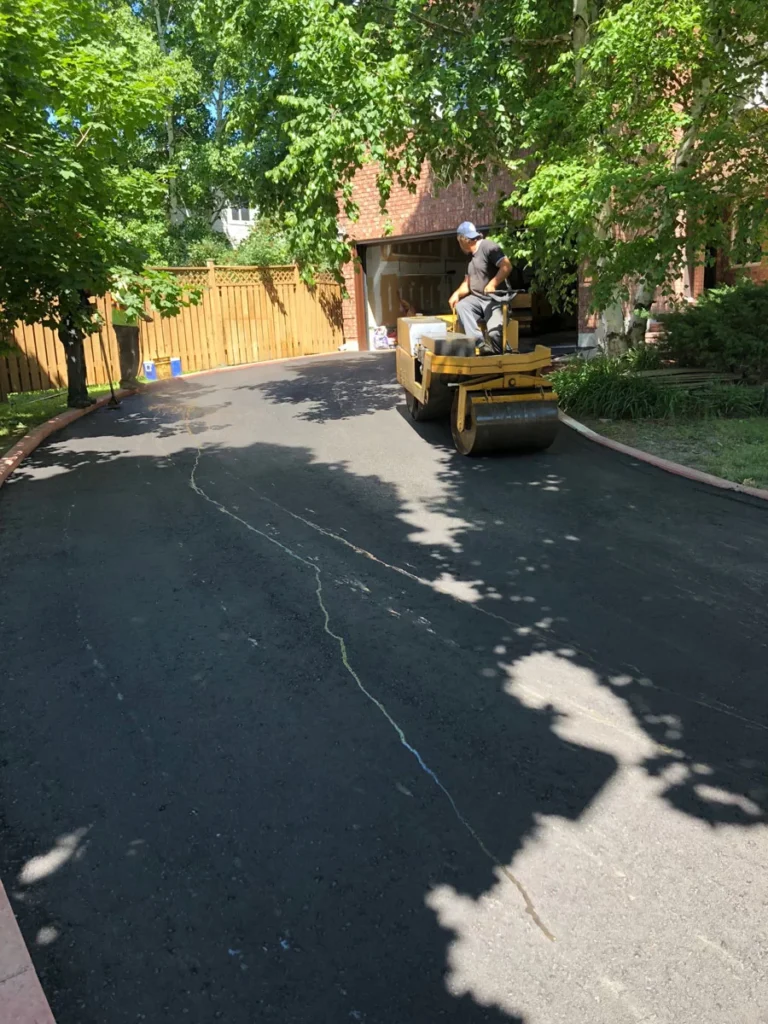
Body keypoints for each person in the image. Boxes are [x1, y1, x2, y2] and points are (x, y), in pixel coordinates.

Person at [448, 221, 513, 355]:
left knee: (495, 333)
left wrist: (493, 283)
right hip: (478, 300)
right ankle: (480, 343)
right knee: (462, 306)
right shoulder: (470, 259)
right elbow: (467, 284)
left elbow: (506, 266)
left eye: (459, 241)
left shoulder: (488, 246)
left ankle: (502, 354)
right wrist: (457, 294)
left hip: (495, 300)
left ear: (463, 239)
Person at [111, 294, 152, 388]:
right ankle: (125, 380)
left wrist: (143, 314)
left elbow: (135, 305)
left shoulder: (132, 290)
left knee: (135, 353)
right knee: (127, 353)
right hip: (121, 324)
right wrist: (140, 313)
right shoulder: (117, 288)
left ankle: (132, 378)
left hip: (132, 324)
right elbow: (118, 304)